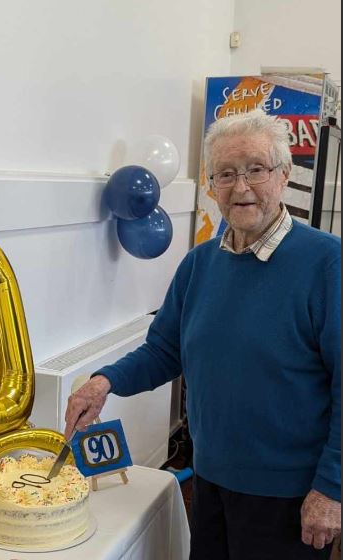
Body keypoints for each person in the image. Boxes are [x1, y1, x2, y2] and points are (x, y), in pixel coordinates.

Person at [64, 110, 341, 559]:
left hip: (289, 496)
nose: (241, 186)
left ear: (284, 175)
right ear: (212, 185)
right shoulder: (199, 263)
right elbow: (164, 350)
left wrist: (332, 488)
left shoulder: (327, 263)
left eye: (256, 169)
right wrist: (104, 382)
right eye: (226, 174)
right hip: (210, 478)